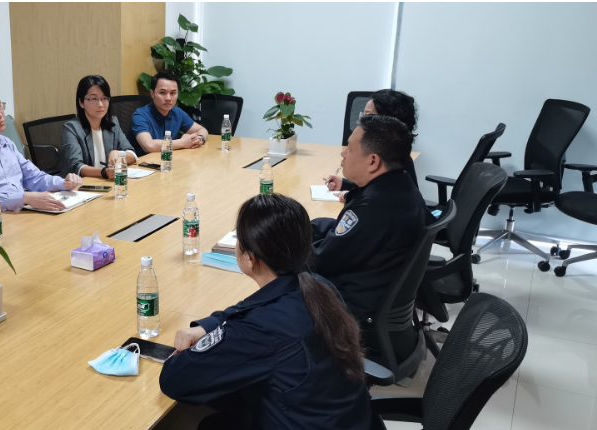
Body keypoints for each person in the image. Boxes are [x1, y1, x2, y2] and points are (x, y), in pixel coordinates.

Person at [160, 194, 370, 429]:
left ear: (249, 257)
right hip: (345, 419)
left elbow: (174, 380)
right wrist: (208, 326)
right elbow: (249, 308)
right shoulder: (318, 285)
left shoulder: (261, 329)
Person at [311, 114, 430, 364]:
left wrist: (279, 246)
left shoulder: (373, 207)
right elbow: (341, 236)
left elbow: (320, 261)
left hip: (355, 314)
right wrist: (305, 228)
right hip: (377, 294)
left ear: (373, 161)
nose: (343, 153)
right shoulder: (399, 185)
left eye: (349, 148)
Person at [0, 84, 82, 212]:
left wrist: (63, 183)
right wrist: (24, 198)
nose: (0, 114)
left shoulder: (5, 143)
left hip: (22, 211)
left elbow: (33, 177)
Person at [326, 89, 419, 199]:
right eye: (363, 115)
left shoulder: (392, 162)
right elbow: (376, 186)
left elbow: (381, 198)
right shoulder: (396, 157)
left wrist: (349, 196)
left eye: (369, 116)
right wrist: (345, 184)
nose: (362, 121)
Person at [61, 75, 139, 179]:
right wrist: (104, 172)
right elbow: (76, 166)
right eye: (94, 99)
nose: (101, 104)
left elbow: (132, 155)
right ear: (81, 102)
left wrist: (118, 154)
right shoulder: (71, 128)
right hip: (81, 185)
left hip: (107, 182)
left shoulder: (113, 123)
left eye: (104, 98)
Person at [128, 71, 209, 156]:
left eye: (173, 93)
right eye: (162, 93)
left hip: (167, 159)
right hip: (143, 162)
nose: (168, 98)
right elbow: (149, 146)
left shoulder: (177, 112)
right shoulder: (140, 116)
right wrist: (182, 142)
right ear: (152, 94)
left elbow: (201, 129)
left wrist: (200, 138)